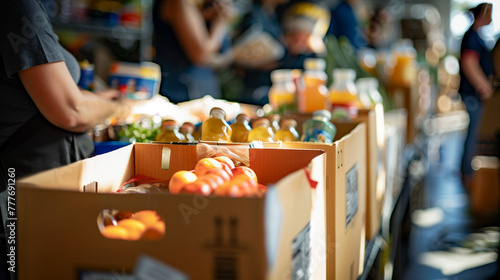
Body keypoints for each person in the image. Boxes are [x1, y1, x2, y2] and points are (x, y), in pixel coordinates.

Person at [0, 1, 134, 279]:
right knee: (28, 266)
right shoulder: (18, 8)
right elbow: (70, 112)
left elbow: (52, 95)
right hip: (21, 182)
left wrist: (96, 101)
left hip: (31, 178)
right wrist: (121, 107)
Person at [152, 0, 234, 104]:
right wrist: (220, 23)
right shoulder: (180, 3)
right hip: (179, 91)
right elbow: (201, 55)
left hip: (197, 87)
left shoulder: (196, 5)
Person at [458, 2, 494, 188]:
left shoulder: (476, 35)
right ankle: (468, 173)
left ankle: (467, 172)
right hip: (472, 94)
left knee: (473, 132)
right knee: (473, 133)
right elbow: (469, 63)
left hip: (473, 93)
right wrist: (483, 87)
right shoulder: (472, 36)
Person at [232, 0, 290, 105]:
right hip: (252, 87)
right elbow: (239, 55)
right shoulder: (251, 13)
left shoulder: (273, 15)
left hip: (270, 84)